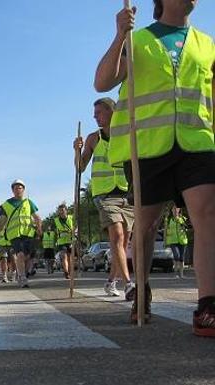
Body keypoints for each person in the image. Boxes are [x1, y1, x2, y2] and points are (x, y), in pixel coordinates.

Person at [95, 0, 215, 334]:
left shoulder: (207, 44)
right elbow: (102, 82)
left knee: (207, 216)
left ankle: (208, 306)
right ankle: (142, 291)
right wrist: (119, 35)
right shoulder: (137, 39)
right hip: (148, 146)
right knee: (145, 227)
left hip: (198, 142)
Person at [74, 98, 135, 299]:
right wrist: (76, 151)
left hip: (126, 193)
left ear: (112, 112)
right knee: (117, 237)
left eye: (99, 112)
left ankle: (111, 281)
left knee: (124, 243)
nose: (95, 116)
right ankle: (128, 284)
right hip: (104, 195)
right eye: (95, 112)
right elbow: (80, 167)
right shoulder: (94, 138)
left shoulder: (126, 135)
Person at [0, 180, 42, 288]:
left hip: (28, 233)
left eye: (20, 188)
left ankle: (22, 274)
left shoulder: (28, 202)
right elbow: (2, 220)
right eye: (15, 188)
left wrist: (39, 229)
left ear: (23, 189)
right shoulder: (7, 204)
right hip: (14, 235)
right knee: (20, 254)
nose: (17, 190)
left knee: (27, 257)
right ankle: (22, 277)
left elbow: (37, 217)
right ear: (12, 190)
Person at [164, 205, 189, 279]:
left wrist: (184, 228)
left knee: (181, 257)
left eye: (176, 208)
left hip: (182, 240)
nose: (175, 210)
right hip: (172, 240)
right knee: (176, 255)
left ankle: (181, 274)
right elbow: (165, 230)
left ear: (179, 210)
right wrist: (164, 242)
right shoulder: (168, 219)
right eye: (173, 208)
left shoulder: (182, 218)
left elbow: (187, 228)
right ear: (171, 210)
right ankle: (175, 274)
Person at [53, 204, 74, 280]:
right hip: (61, 242)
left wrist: (74, 231)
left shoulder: (71, 218)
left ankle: (70, 271)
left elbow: (76, 227)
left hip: (70, 241)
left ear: (66, 210)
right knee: (63, 256)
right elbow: (54, 231)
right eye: (60, 211)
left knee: (70, 258)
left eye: (63, 210)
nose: (61, 212)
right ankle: (66, 272)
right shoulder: (56, 220)